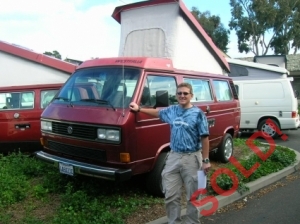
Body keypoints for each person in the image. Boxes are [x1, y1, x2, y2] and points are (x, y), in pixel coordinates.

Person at [129, 82, 211, 224]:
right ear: (176, 95)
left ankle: (192, 221)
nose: (182, 96)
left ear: (191, 95)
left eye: (185, 93)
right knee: (171, 195)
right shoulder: (172, 110)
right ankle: (174, 222)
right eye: (179, 93)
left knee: (194, 196)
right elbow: (158, 112)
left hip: (192, 158)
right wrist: (139, 109)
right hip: (173, 157)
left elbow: (205, 138)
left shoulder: (198, 114)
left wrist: (205, 160)